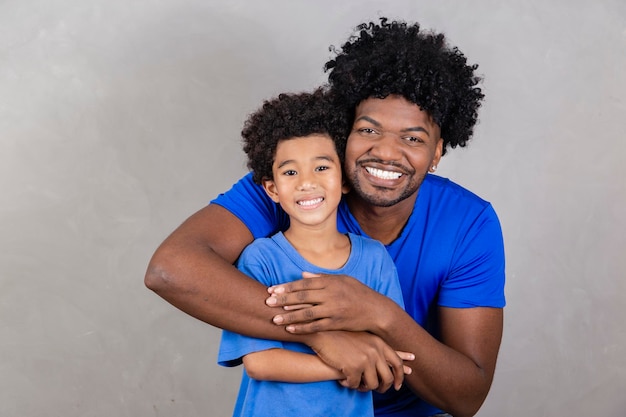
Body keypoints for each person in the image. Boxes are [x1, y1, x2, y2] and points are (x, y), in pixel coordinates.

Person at [145, 17, 505, 417]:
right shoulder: (297, 188)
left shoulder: (469, 223)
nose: (387, 152)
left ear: (437, 153)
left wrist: (379, 313)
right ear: (344, 133)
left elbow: (466, 395)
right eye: (369, 130)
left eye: (413, 138)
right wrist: (323, 334)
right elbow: (170, 269)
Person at [218, 89, 411, 417]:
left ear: (345, 180)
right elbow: (261, 363)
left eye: (321, 168)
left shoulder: (375, 260)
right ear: (273, 189)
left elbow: (391, 359)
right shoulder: (261, 259)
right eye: (291, 172)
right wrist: (344, 364)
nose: (307, 183)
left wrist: (372, 360)